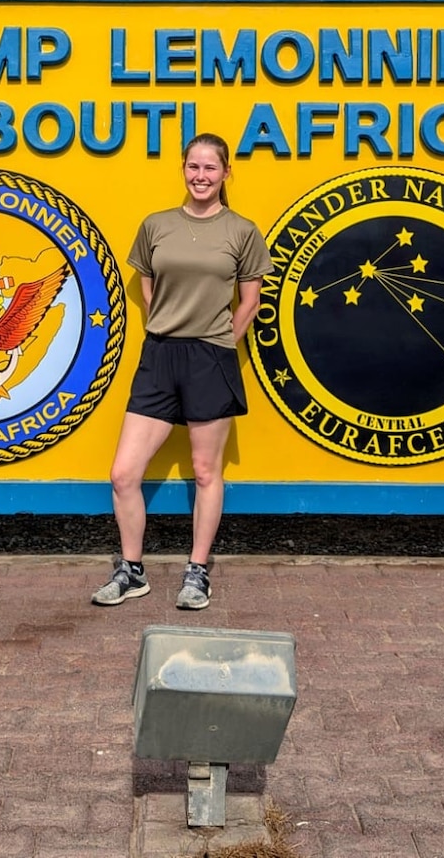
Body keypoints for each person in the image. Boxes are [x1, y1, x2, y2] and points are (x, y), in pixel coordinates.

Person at [91, 134, 272, 610]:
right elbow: (147, 287)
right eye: (193, 167)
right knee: (123, 473)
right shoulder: (156, 225)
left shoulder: (242, 231)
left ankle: (197, 572)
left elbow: (249, 302)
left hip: (210, 359)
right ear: (183, 169)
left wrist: (218, 344)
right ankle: (131, 571)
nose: (201, 176)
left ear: (226, 173)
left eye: (211, 168)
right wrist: (167, 325)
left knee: (206, 471)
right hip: (160, 356)